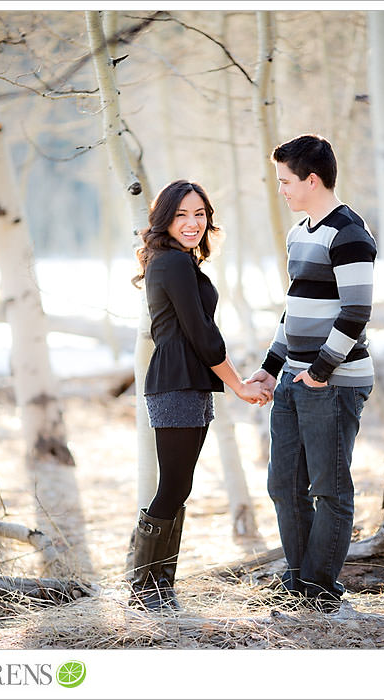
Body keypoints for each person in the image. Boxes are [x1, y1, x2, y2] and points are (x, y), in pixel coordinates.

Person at [247, 134, 376, 614]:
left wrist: (321, 371)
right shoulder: (300, 232)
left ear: (312, 179)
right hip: (295, 380)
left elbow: (356, 313)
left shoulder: (349, 234)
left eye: (285, 180)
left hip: (334, 382)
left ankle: (320, 588)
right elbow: (294, 311)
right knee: (284, 484)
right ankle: (298, 579)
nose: (280, 188)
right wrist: (268, 369)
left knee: (330, 488)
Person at [129, 180, 271, 611]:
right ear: (165, 219)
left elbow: (200, 333)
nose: (192, 223)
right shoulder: (172, 263)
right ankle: (144, 589)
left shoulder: (180, 261)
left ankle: (159, 587)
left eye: (200, 214)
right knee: (172, 486)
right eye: (181, 215)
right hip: (176, 381)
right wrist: (239, 384)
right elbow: (202, 336)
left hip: (187, 382)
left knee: (179, 485)